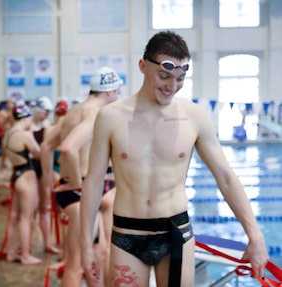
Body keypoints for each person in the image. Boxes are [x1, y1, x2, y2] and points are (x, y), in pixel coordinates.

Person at [80, 30, 269, 287]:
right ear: (142, 66)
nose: (172, 87)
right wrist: (85, 245)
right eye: (164, 76)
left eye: (180, 79)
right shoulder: (111, 117)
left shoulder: (195, 116)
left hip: (176, 234)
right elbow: (93, 182)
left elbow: (225, 177)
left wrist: (254, 235)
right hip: (127, 234)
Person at [41, 66, 123, 287]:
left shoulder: (72, 113)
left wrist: (52, 180)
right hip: (83, 192)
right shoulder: (97, 113)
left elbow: (47, 147)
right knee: (77, 265)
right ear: (110, 91)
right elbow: (68, 148)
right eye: (118, 91)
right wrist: (76, 183)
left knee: (101, 252)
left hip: (81, 192)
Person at [2, 104, 42, 265]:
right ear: (25, 118)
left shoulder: (7, 134)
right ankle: (25, 255)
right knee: (26, 217)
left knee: (14, 217)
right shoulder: (26, 135)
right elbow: (38, 154)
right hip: (27, 177)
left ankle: (10, 253)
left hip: (16, 175)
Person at [29, 96, 60, 254]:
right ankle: (26, 246)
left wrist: (49, 174)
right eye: (44, 112)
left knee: (44, 208)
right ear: (37, 110)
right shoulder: (26, 126)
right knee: (29, 210)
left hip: (42, 170)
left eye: (48, 112)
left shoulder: (48, 128)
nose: (46, 115)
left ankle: (47, 242)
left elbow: (48, 154)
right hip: (29, 170)